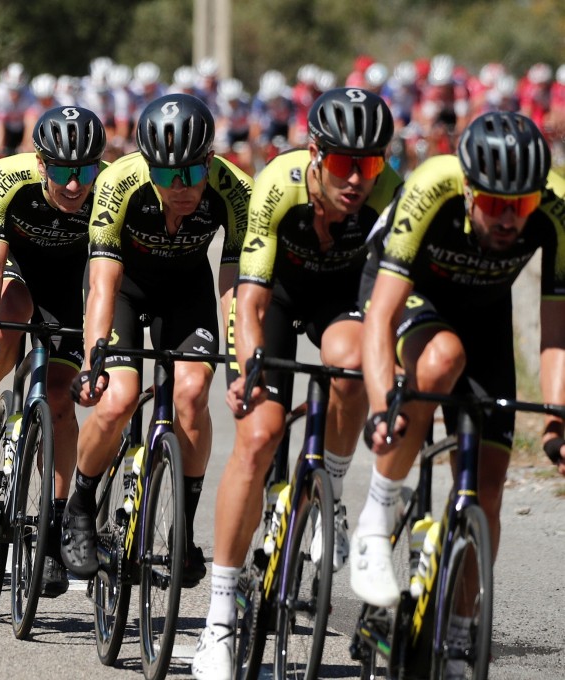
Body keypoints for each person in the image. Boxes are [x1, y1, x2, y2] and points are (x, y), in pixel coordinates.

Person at [191, 87, 401, 679]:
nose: (357, 179)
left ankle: (330, 487)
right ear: (315, 154)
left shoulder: (390, 194)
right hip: (277, 297)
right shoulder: (277, 185)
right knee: (258, 437)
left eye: (371, 163)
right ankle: (221, 617)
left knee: (352, 362)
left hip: (343, 298)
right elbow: (250, 303)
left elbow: (394, 299)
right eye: (342, 164)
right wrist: (248, 368)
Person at [354, 113, 562, 676]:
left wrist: (555, 423)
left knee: (488, 492)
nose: (505, 219)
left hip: (485, 313)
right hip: (411, 295)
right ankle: (377, 515)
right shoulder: (431, 189)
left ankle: (463, 629)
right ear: (469, 189)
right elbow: (379, 319)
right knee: (442, 358)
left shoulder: (557, 211)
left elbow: (557, 331)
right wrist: (381, 407)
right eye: (493, 204)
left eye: (519, 208)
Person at [63, 94, 252, 589]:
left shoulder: (235, 191)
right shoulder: (118, 183)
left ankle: (184, 529)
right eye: (167, 177)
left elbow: (232, 286)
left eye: (192, 173)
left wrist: (237, 360)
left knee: (192, 393)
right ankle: (79, 505)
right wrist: (92, 359)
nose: (182, 188)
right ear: (149, 168)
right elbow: (101, 282)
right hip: (125, 287)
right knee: (119, 397)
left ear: (210, 160)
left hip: (186, 291)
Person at [0, 106, 107, 594]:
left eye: (84, 171)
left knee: (61, 402)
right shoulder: (8, 177)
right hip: (12, 265)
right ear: (42, 163)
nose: (73, 185)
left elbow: (105, 278)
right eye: (62, 171)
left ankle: (53, 524)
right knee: (10, 310)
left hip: (66, 282)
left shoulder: (106, 190)